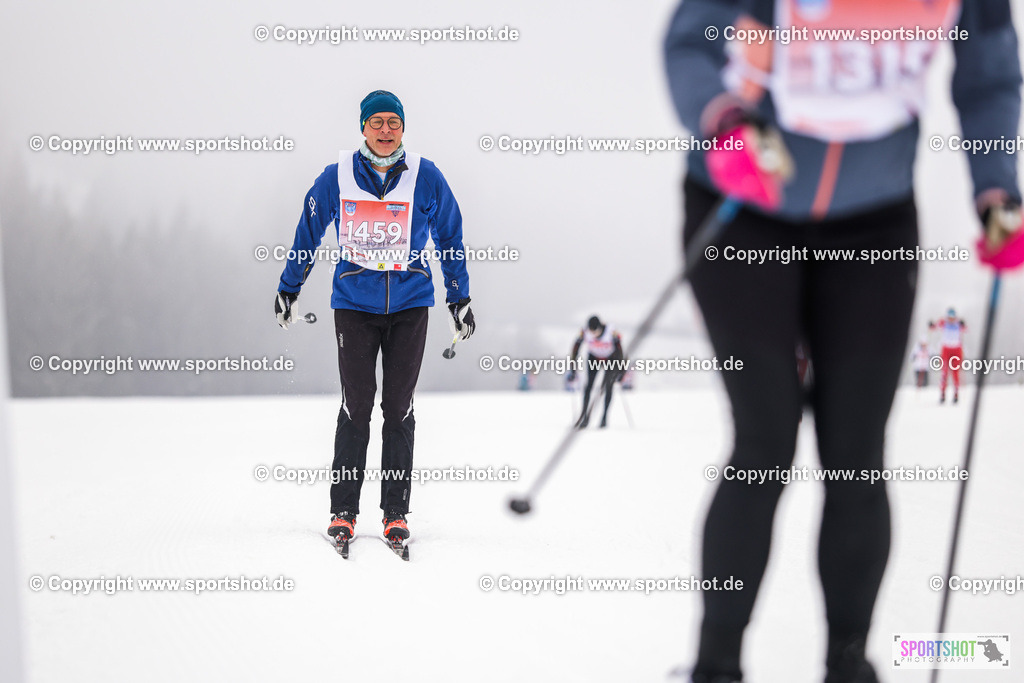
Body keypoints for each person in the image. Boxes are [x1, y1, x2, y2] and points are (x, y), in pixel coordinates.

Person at [664, 2, 1024, 681]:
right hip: (744, 211)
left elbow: (987, 78)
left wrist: (998, 187)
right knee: (765, 439)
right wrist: (723, 121)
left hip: (874, 221)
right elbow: (690, 42)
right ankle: (716, 665)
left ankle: (849, 663)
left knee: (856, 453)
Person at [275, 90, 476, 550]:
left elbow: (451, 238)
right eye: (377, 122)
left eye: (393, 122)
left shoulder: (427, 178)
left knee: (399, 408)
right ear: (362, 127)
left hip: (410, 305)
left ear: (403, 128)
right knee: (357, 405)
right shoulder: (336, 178)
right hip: (354, 305)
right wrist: (289, 287)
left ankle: (395, 514)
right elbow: (307, 233)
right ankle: (343, 511)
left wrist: (458, 298)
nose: (385, 130)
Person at [567, 316, 624, 428]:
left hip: (610, 358)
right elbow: (576, 347)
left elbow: (619, 349)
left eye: (596, 332)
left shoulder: (611, 331)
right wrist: (573, 366)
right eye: (591, 332)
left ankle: (604, 417)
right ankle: (584, 416)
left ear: (600, 328)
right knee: (588, 386)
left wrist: (621, 369)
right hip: (594, 358)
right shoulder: (584, 331)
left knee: (608, 387)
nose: (594, 335)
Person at [929, 309, 967, 403]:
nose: (951, 319)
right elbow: (934, 327)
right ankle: (942, 394)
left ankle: (956, 394)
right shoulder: (943, 322)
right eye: (949, 317)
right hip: (946, 350)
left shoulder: (958, 323)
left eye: (952, 317)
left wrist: (963, 324)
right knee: (944, 373)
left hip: (957, 350)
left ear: (955, 317)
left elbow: (965, 329)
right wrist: (931, 325)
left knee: (955, 373)